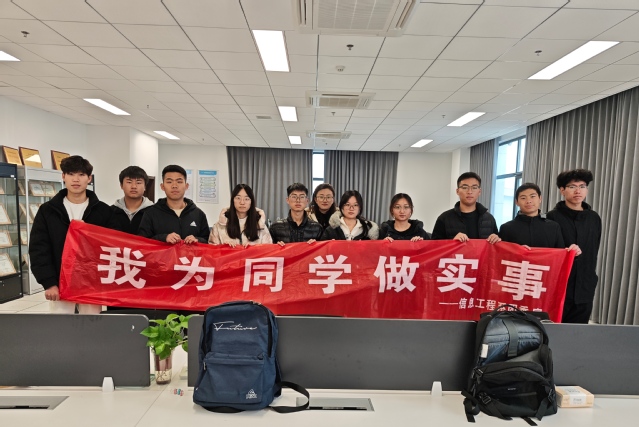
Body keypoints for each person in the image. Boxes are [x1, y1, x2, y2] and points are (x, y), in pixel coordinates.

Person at [29, 155, 112, 313]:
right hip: (60, 282)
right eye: (71, 174)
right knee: (61, 325)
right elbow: (39, 248)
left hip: (92, 284)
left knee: (92, 323)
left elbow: (111, 247)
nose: (76, 179)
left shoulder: (103, 211)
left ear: (89, 178)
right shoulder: (48, 211)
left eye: (81, 174)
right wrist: (49, 283)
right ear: (63, 176)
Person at [546, 169, 601, 324]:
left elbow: (594, 250)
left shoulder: (594, 218)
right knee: (554, 328)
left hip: (585, 284)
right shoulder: (552, 217)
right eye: (572, 187)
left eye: (582, 186)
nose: (578, 191)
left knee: (579, 331)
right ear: (562, 190)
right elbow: (549, 251)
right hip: (561, 285)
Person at [138, 165, 209, 244]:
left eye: (179, 182)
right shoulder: (150, 213)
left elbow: (207, 241)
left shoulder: (199, 214)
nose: (174, 186)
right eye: (169, 182)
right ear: (162, 186)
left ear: (186, 186)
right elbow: (143, 242)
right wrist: (163, 238)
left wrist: (197, 240)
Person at [432, 172, 500, 244]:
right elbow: (434, 246)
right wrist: (452, 243)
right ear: (457, 191)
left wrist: (496, 239)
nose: (469, 192)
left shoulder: (489, 219)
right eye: (465, 188)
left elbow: (496, 248)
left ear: (479, 191)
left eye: (474, 188)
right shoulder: (444, 218)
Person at [499, 183, 565, 249]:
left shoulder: (553, 227)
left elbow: (560, 252)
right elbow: (502, 253)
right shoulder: (506, 228)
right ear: (516, 202)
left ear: (540, 198)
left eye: (532, 196)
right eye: (523, 198)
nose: (528, 201)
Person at [110, 166, 154, 235]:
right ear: (121, 185)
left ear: (145, 187)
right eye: (129, 182)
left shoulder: (154, 212)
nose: (134, 186)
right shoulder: (110, 212)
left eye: (138, 182)